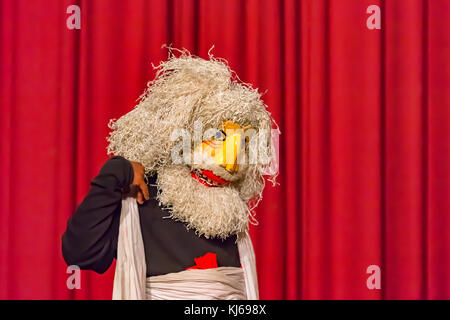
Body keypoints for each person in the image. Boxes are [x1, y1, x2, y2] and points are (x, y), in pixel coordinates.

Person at [62, 48, 278, 300]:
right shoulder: (143, 196)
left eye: (241, 144)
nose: (230, 163)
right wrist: (115, 173)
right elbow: (81, 254)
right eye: (218, 137)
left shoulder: (231, 212)